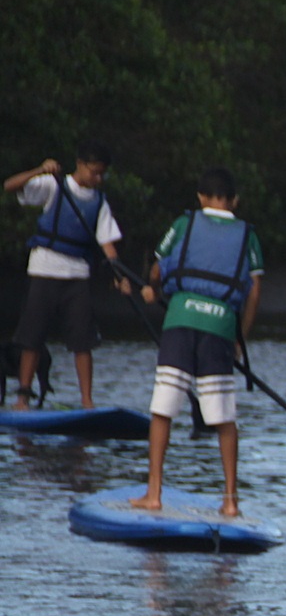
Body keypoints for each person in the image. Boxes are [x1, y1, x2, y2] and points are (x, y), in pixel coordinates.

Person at [132, 168, 263, 518]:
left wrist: (152, 290)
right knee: (223, 417)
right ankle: (230, 501)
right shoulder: (248, 235)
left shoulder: (183, 223)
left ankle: (154, 494)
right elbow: (254, 292)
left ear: (201, 198)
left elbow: (157, 270)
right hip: (220, 327)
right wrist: (239, 337)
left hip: (180, 321)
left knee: (163, 409)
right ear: (234, 201)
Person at [8, 143, 131, 408]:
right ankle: (23, 397)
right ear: (80, 164)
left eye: (102, 174)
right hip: (44, 269)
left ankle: (87, 401)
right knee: (32, 337)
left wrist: (119, 275)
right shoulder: (54, 185)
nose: (98, 179)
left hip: (77, 276)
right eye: (94, 172)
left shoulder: (99, 202)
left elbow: (108, 245)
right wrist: (40, 170)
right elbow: (10, 186)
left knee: (83, 341)